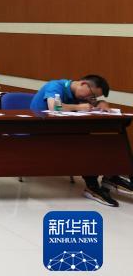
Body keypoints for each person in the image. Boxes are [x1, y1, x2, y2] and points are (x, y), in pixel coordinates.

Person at [31, 75, 122, 206]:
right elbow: (54, 107)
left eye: (94, 97)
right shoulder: (55, 86)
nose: (90, 98)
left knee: (106, 141)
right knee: (86, 144)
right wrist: (79, 107)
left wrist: (102, 103)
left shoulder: (80, 94)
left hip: (62, 133)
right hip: (39, 134)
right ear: (83, 84)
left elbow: (94, 104)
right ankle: (93, 187)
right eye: (92, 95)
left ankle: (111, 177)